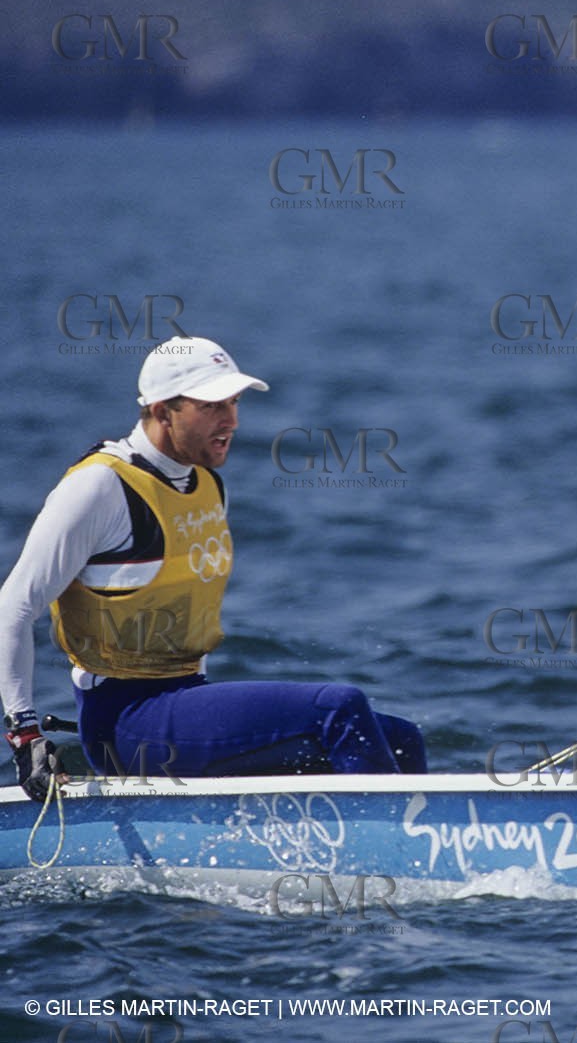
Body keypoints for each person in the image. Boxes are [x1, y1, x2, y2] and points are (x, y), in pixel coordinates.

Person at [1, 337, 425, 801]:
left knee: (400, 739)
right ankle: (388, 840)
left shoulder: (208, 485)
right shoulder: (99, 487)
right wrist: (25, 734)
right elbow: (14, 607)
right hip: (125, 721)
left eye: (234, 403)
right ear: (163, 411)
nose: (232, 421)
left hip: (185, 702)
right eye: (211, 406)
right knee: (340, 708)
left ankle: (400, 832)